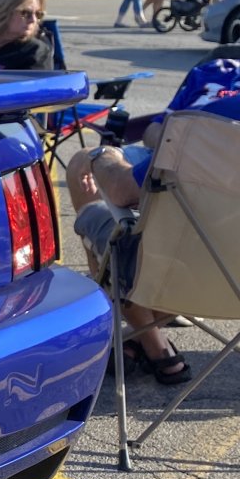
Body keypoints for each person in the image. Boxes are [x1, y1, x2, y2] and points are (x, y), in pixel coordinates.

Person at [66, 131, 190, 385]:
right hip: (223, 280)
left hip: (167, 269)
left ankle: (150, 343)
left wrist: (100, 155)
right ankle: (148, 337)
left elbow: (122, 191)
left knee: (117, 237)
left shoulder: (206, 126)